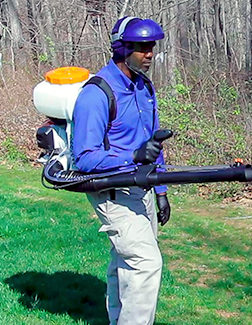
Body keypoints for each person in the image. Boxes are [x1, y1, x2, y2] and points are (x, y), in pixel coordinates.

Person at [72, 16, 170, 325]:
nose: (150, 53)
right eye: (143, 47)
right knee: (145, 262)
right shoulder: (97, 93)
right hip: (111, 190)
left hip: (142, 188)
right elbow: (85, 158)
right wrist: (133, 155)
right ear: (122, 48)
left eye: (151, 46)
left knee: (124, 262)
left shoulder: (144, 86)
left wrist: (162, 191)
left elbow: (154, 142)